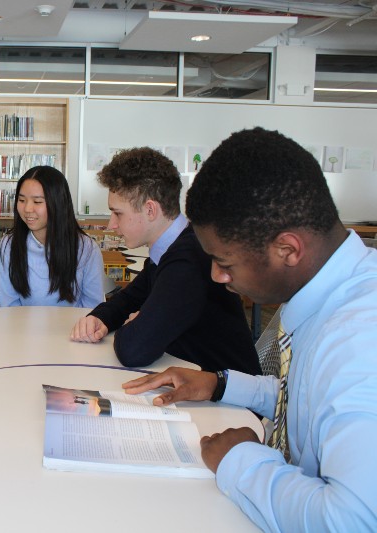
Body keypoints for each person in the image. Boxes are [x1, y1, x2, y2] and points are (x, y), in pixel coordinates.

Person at [123, 128, 377, 530]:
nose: (216, 276)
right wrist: (218, 384)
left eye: (226, 262)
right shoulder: (332, 300)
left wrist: (240, 460)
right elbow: (309, 400)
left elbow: (351, 521)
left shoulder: (360, 341)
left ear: (288, 249)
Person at [70, 147, 259, 374]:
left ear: (150, 210)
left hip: (230, 402)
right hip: (198, 381)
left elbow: (134, 350)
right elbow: (129, 299)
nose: (112, 224)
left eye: (117, 213)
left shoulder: (186, 260)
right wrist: (101, 318)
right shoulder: (172, 248)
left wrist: (134, 325)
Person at [0, 166, 104, 308]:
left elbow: (93, 307)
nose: (27, 209)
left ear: (58, 203)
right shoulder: (6, 247)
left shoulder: (87, 249)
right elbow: (8, 306)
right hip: (22, 328)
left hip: (74, 329)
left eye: (37, 202)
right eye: (21, 200)